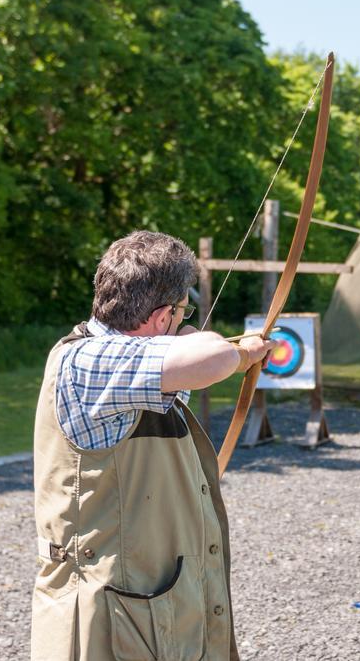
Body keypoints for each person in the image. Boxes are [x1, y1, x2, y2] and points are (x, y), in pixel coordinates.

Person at [30, 230, 274, 661]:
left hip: (148, 612)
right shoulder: (87, 362)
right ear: (163, 317)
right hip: (108, 624)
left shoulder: (132, 367)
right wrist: (241, 354)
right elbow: (211, 359)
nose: (185, 321)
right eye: (183, 311)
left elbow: (186, 359)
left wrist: (216, 347)